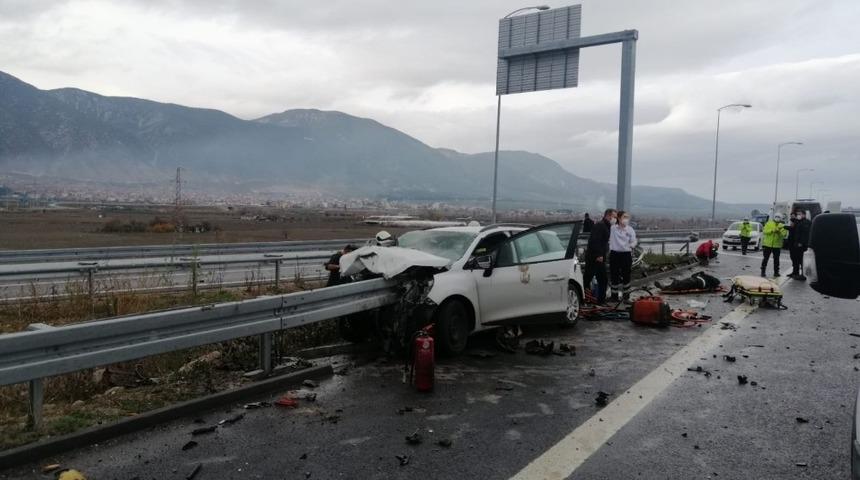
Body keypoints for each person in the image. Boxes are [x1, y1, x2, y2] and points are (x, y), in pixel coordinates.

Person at [583, 208, 616, 304]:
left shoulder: (606, 226)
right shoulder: (600, 226)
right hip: (595, 258)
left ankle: (596, 300)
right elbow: (595, 241)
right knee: (600, 279)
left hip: (598, 257)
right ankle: (598, 300)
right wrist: (599, 255)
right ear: (608, 215)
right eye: (614, 217)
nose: (615, 219)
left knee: (592, 278)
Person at [609, 210, 637, 303]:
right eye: (624, 217)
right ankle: (614, 296)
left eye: (627, 217)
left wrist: (631, 245)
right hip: (615, 254)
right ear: (619, 218)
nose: (626, 219)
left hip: (626, 254)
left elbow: (634, 241)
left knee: (626, 276)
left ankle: (626, 297)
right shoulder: (613, 228)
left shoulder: (630, 229)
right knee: (614, 275)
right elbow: (609, 223)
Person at [761, 213, 788, 277]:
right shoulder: (769, 223)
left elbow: (785, 234)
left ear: (781, 218)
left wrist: (779, 232)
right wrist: (772, 230)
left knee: (776, 260)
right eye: (776, 216)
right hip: (767, 244)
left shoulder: (782, 225)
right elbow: (765, 231)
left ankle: (776, 272)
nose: (777, 218)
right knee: (765, 259)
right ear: (774, 217)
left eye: (779, 217)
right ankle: (763, 271)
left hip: (777, 245)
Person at [788, 210, 812, 280]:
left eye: (799, 214)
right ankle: (795, 273)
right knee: (796, 259)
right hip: (797, 244)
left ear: (804, 214)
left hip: (802, 245)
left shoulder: (806, 222)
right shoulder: (800, 222)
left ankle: (803, 275)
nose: (798, 215)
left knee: (802, 260)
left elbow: (805, 234)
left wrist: (801, 242)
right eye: (797, 214)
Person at [655, 271, 721, 292]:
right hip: (697, 281)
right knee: (683, 283)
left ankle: (667, 287)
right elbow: (693, 275)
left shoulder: (712, 279)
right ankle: (667, 287)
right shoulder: (709, 278)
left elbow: (715, 284)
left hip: (698, 282)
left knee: (684, 283)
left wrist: (701, 273)